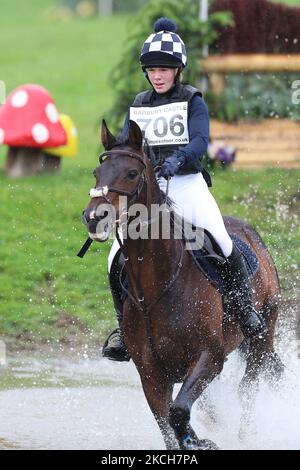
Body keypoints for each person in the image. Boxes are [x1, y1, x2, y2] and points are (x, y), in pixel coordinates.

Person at [102, 17, 265, 362]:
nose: (157, 75)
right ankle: (123, 331)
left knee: (219, 238)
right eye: (152, 69)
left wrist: (177, 161)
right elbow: (126, 145)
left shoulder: (193, 100)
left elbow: (201, 143)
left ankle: (244, 308)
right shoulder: (139, 104)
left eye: (165, 68)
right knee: (114, 255)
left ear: (178, 70)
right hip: (149, 190)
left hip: (187, 183)